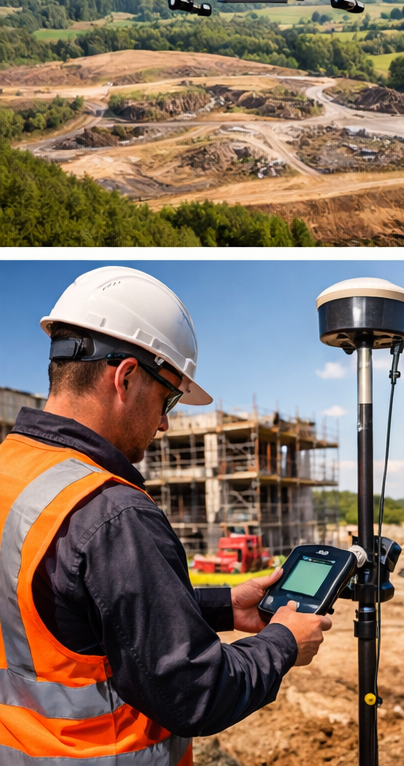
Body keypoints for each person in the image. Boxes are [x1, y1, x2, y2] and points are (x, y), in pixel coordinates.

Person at [0, 266, 332, 765]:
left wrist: (222, 605)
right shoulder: (111, 513)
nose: (164, 422)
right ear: (127, 377)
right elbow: (196, 692)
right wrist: (284, 642)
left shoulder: (13, 469)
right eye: (168, 397)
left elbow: (68, 609)